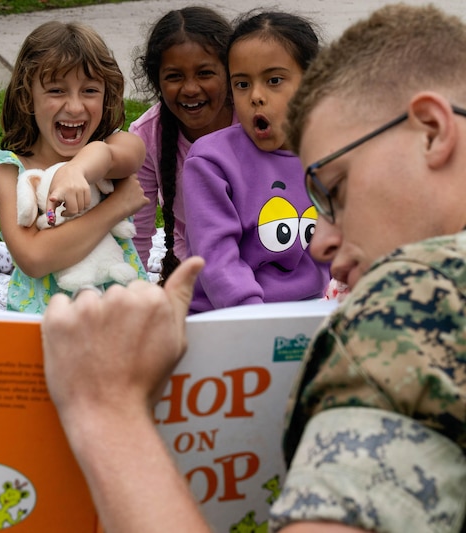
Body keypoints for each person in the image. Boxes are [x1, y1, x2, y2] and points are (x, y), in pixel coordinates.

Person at [41, 4, 466, 533]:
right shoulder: (202, 154)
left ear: (432, 131)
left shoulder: (421, 300)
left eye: (336, 188)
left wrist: (106, 411)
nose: (323, 241)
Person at [0, 20, 148, 313]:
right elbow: (33, 258)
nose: (75, 106)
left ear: (107, 94)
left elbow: (128, 153)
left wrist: (77, 170)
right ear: (27, 95)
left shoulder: (115, 146)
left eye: (90, 90)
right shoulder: (8, 169)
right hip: (44, 322)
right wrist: (115, 207)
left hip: (121, 315)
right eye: (57, 90)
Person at [182, 11, 329, 312]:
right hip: (229, 318)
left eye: (274, 80)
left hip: (314, 311)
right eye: (242, 84)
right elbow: (217, 259)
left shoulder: (331, 155)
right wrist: (254, 320)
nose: (256, 97)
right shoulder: (210, 160)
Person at [129, 6, 235, 283]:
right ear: (157, 81)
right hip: (194, 272)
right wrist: (135, 293)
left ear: (230, 71)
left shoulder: (254, 123)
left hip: (265, 260)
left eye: (204, 73)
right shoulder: (146, 137)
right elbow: (137, 233)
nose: (190, 88)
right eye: (175, 76)